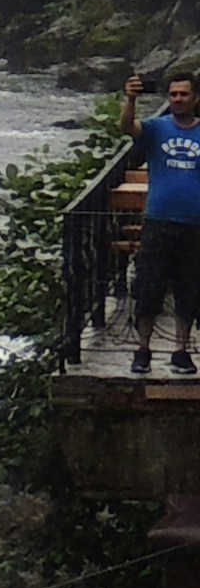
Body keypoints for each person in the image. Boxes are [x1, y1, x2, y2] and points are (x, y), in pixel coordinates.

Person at [117, 61, 200, 377]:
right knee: (148, 287)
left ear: (195, 98)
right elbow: (127, 128)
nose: (178, 99)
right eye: (173, 94)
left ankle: (181, 351)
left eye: (184, 94)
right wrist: (132, 99)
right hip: (158, 220)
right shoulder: (156, 128)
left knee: (189, 289)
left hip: (194, 224)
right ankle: (143, 349)